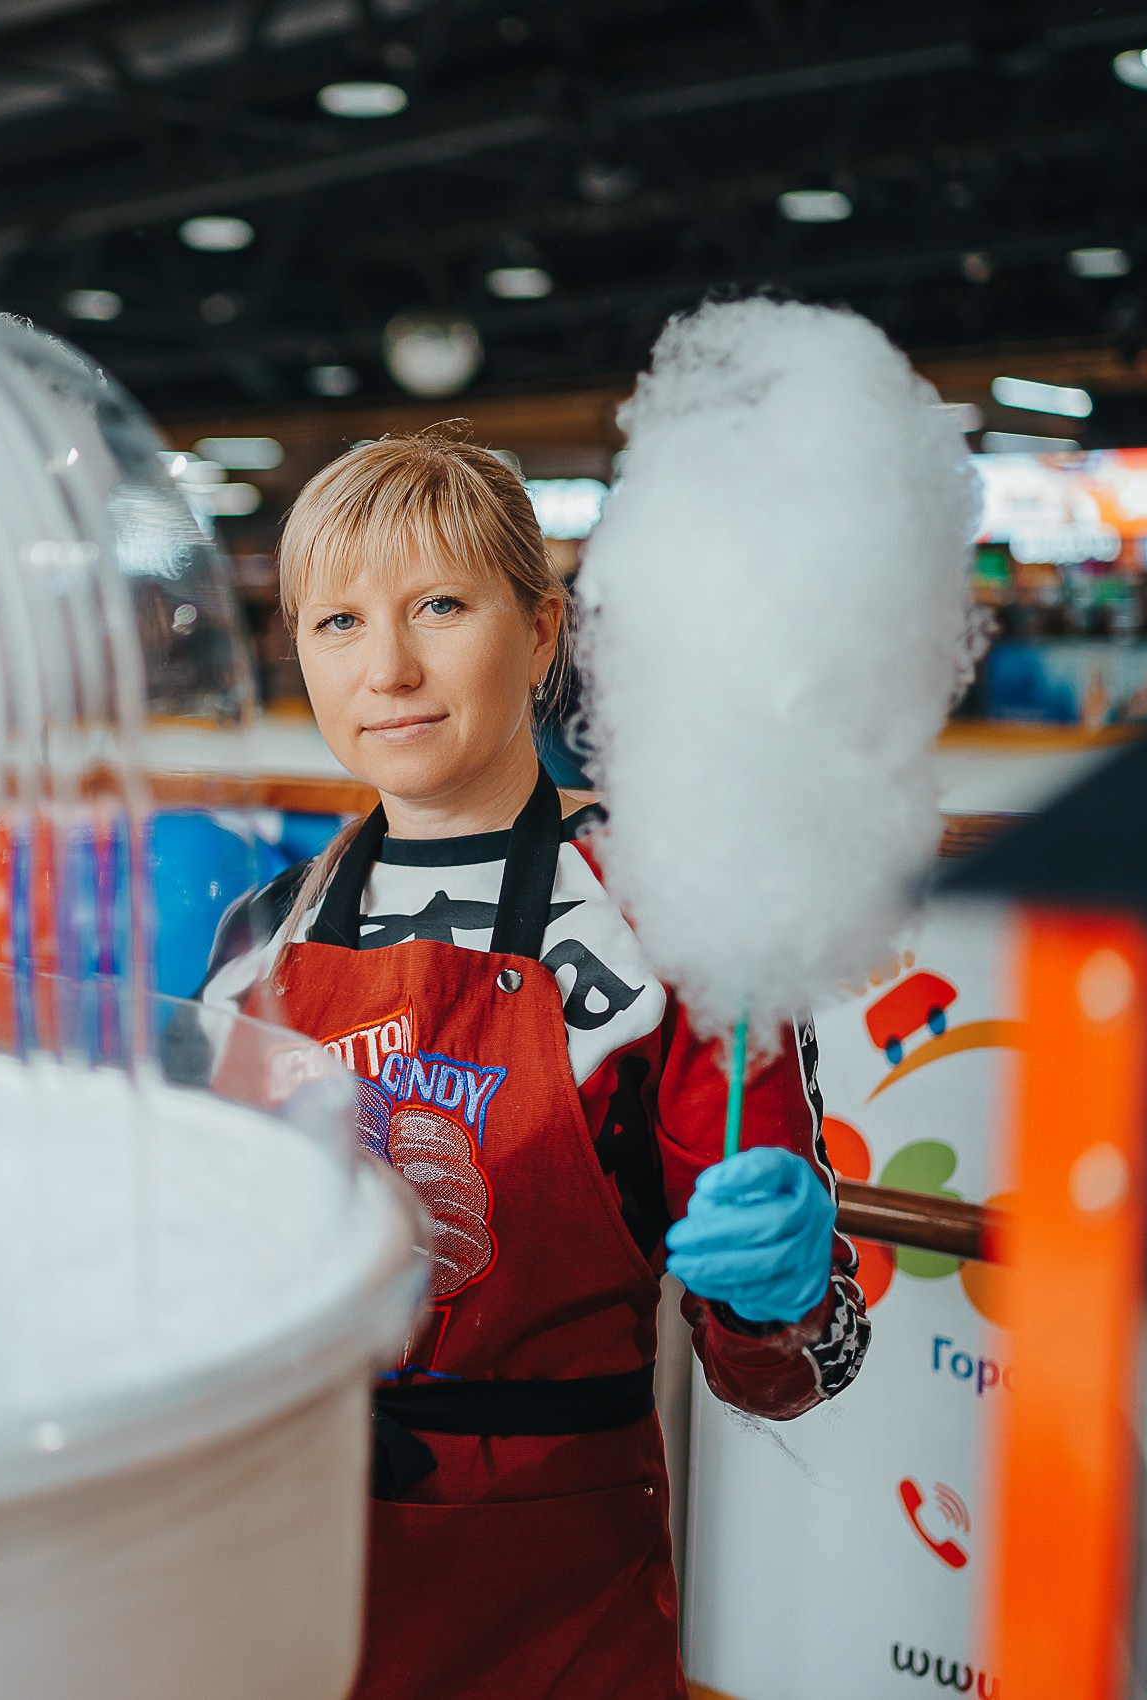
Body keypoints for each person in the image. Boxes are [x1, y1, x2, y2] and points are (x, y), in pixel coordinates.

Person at [197, 428, 868, 1700]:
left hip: (552, 1599)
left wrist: (778, 1295)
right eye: (336, 621)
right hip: (278, 1556)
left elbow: (800, 1365)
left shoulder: (679, 930)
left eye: (440, 605)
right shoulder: (255, 937)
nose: (386, 666)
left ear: (542, 627)